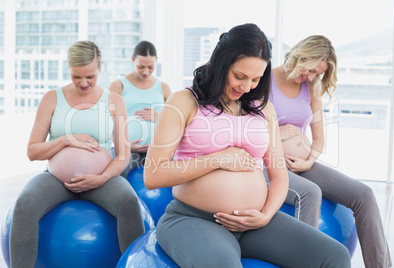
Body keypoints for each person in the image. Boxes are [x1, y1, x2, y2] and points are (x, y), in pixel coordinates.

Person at [144, 23, 351, 268]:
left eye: (256, 79)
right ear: (221, 64)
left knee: (335, 256)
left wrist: (264, 216)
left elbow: (278, 176)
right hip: (193, 219)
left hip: (255, 223)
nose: (246, 87)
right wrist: (217, 159)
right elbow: (153, 175)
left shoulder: (263, 108)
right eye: (240, 76)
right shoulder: (185, 101)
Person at [9, 41, 145, 268]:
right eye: (76, 76)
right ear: (69, 69)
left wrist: (101, 178)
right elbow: (33, 151)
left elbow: (122, 155)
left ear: (100, 68)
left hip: (101, 179)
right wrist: (66, 139)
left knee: (129, 202)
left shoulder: (114, 101)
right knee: (24, 204)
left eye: (90, 77)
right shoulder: (52, 98)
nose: (84, 83)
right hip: (56, 180)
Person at [269, 35, 392, 268]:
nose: (312, 77)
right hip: (269, 163)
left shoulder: (311, 88)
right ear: (300, 55)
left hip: (302, 165)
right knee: (311, 193)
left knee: (364, 194)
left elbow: (319, 139)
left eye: (318, 74)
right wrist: (277, 132)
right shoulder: (265, 81)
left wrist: (308, 162)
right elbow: (245, 128)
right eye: (311, 69)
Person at [109, 40, 171, 177]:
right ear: (132, 60)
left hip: (158, 151)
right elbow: (108, 122)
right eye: (141, 67)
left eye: (151, 67)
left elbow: (176, 121)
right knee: (114, 172)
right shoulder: (118, 86)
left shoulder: (164, 88)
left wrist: (160, 117)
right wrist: (124, 145)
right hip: (127, 151)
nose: (146, 72)